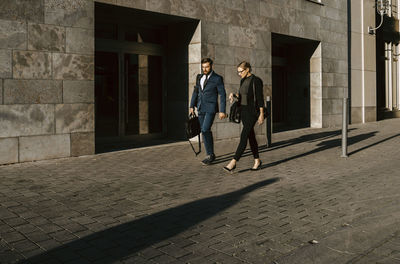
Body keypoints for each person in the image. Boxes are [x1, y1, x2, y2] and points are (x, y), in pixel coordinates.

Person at [224, 61, 264, 172]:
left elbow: (260, 98)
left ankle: (233, 162)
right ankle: (257, 160)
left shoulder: (256, 81)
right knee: (251, 136)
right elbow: (242, 96)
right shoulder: (242, 80)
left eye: (241, 71)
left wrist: (261, 114)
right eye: (238, 72)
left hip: (253, 112)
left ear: (247, 69)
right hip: (244, 112)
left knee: (244, 136)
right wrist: (234, 95)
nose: (239, 74)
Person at [190, 58, 227, 165]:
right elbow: (195, 91)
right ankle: (210, 154)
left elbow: (222, 95)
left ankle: (210, 155)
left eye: (207, 67)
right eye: (203, 67)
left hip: (211, 108)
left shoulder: (217, 78)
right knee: (203, 130)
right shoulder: (199, 77)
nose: (204, 69)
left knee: (206, 129)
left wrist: (222, 110)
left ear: (211, 66)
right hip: (200, 107)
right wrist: (192, 105)